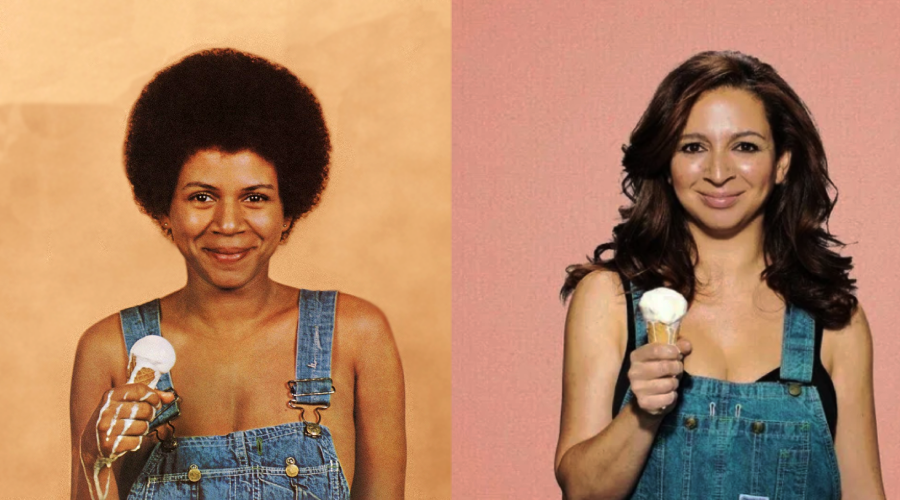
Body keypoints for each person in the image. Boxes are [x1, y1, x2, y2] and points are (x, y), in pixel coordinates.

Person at [69, 49, 406, 499]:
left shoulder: (358, 338)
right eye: (202, 197)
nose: (228, 224)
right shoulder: (110, 351)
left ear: (289, 212)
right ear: (163, 209)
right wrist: (95, 458)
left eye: (256, 198)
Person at [554, 51, 885, 499]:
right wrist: (643, 414)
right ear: (667, 164)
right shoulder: (609, 300)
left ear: (782, 163)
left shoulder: (834, 322)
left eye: (745, 146)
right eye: (693, 147)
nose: (718, 172)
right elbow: (581, 491)